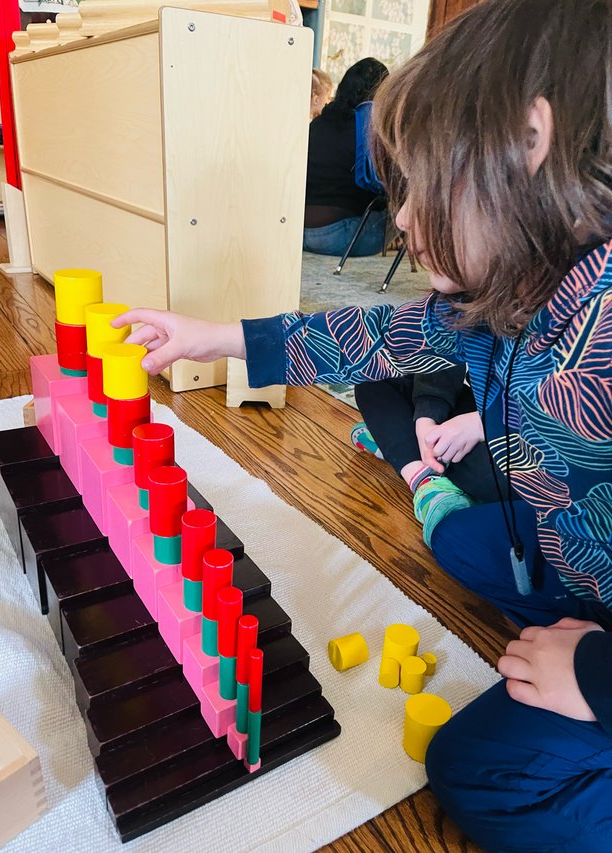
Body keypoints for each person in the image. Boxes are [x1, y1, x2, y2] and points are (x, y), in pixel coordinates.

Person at [114, 1, 612, 848]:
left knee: (473, 768)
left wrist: (595, 674)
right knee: (460, 546)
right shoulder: (510, 288)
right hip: (573, 555)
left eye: (420, 187)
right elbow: (372, 337)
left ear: (532, 141)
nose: (404, 220)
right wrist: (217, 336)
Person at [351, 367, 508, 547]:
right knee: (375, 377)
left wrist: (481, 423)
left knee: (506, 480)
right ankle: (422, 472)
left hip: (526, 440)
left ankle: (405, 456)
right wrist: (426, 418)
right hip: (483, 403)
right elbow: (444, 360)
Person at [304, 57, 388, 257]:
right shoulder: (369, 130)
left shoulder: (317, 124)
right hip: (340, 237)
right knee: (404, 212)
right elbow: (383, 184)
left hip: (300, 234)